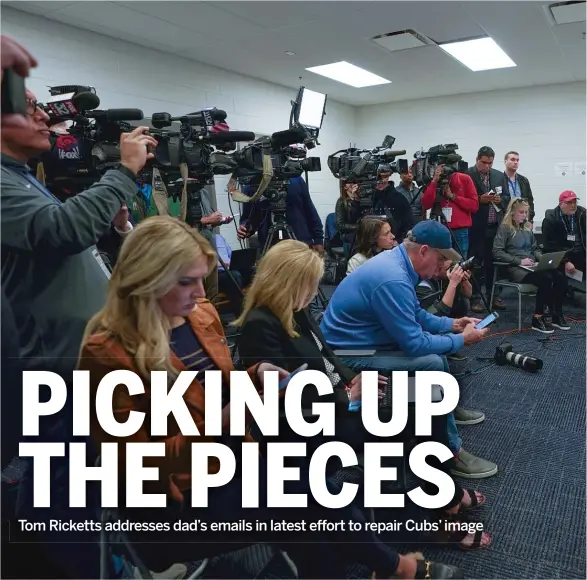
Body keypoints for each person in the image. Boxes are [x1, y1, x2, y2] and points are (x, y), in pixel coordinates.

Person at [77, 216, 467, 579]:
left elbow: (215, 387)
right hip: (178, 498)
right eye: (186, 282)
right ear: (147, 281)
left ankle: (390, 563)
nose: (201, 293)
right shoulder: (107, 352)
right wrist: (224, 420)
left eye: (201, 279)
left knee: (306, 504)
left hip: (233, 458)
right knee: (306, 496)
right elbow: (135, 464)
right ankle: (396, 565)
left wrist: (251, 376)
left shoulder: (199, 317)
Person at [234, 239, 491, 551]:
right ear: (289, 283)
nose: (315, 292)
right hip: (313, 423)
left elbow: (328, 358)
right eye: (311, 284)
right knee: (414, 418)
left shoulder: (294, 310)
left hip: (338, 401)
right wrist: (346, 394)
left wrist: (353, 382)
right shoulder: (260, 325)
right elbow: (283, 400)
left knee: (427, 399)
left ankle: (446, 495)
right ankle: (443, 508)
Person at [320, 220, 498, 479]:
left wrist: (453, 324)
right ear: (423, 250)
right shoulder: (392, 277)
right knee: (433, 362)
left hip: (364, 342)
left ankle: (445, 409)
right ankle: (451, 451)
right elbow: (414, 344)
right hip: (348, 355)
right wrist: (462, 340)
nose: (442, 267)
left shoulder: (397, 263)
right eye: (440, 259)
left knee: (435, 357)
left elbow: (415, 315)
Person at [1, 88, 157, 380]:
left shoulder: (20, 176)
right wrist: (124, 172)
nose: (44, 116)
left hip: (83, 360)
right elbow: (64, 230)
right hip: (51, 371)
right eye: (29, 106)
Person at [493, 198, 570, 333]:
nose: (524, 215)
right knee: (546, 278)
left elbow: (534, 249)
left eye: (526, 212)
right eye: (521, 212)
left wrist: (541, 259)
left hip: (530, 265)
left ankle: (556, 315)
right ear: (512, 213)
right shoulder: (505, 228)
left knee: (560, 277)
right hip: (514, 268)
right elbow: (497, 252)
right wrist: (519, 261)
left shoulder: (527, 227)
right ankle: (537, 318)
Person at [237, 175, 324, 256]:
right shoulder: (253, 184)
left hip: (300, 244)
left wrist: (318, 240)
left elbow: (310, 211)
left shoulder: (295, 179)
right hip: (271, 248)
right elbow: (249, 218)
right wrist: (246, 228)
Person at [468, 146, 509, 312]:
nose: (487, 167)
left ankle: (494, 296)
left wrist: (501, 199)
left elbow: (507, 197)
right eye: (484, 163)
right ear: (477, 159)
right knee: (476, 264)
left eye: (490, 163)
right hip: (476, 227)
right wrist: (479, 199)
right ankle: (475, 298)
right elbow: (463, 200)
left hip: (495, 227)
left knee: (494, 264)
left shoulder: (499, 175)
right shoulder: (467, 174)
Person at [422, 165, 479, 258]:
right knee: (439, 264)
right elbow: (426, 204)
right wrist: (434, 181)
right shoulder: (433, 180)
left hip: (460, 231)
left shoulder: (464, 178)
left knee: (460, 264)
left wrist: (453, 196)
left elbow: (474, 206)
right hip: (439, 230)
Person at [542, 190, 586, 279]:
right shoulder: (550, 219)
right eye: (569, 202)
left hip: (582, 255)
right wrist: (565, 261)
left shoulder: (582, 214)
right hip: (564, 257)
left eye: (574, 202)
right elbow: (550, 246)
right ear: (561, 204)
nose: (573, 205)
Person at [372, 164, 414, 241]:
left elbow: (408, 223)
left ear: (389, 175)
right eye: (379, 177)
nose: (381, 180)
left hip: (394, 243)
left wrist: (398, 241)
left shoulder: (399, 198)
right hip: (371, 243)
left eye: (384, 176)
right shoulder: (369, 197)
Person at [502, 151, 535, 221]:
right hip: (506, 219)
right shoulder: (499, 179)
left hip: (523, 219)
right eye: (513, 159)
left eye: (517, 160)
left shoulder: (524, 180)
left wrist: (530, 219)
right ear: (505, 161)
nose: (516, 162)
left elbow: (530, 201)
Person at [334, 179, 363, 259]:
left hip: (363, 236)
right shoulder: (341, 202)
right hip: (350, 237)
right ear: (344, 187)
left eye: (354, 182)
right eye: (349, 182)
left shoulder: (362, 200)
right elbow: (340, 225)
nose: (352, 184)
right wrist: (359, 227)